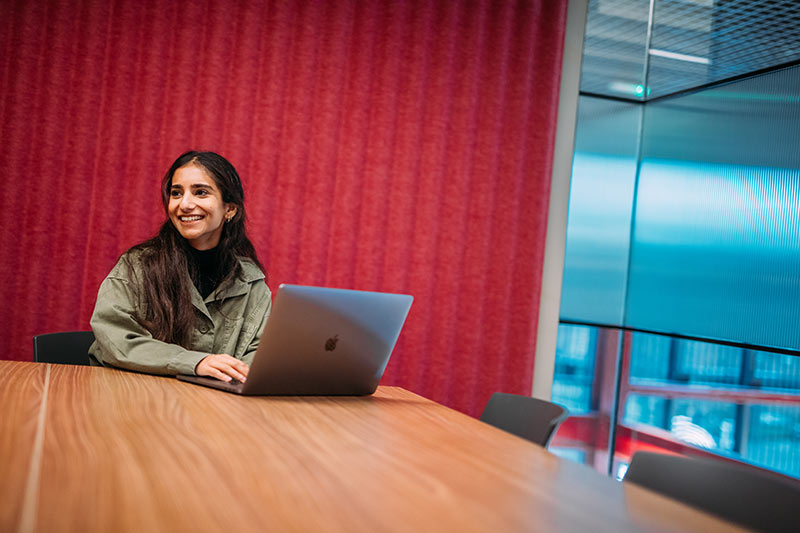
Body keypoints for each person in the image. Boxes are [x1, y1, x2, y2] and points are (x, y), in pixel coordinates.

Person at [89, 151, 270, 383]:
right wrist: (195, 362)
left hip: (211, 402)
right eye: (176, 193)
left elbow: (259, 354)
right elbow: (115, 339)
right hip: (129, 395)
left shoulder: (251, 282)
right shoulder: (136, 266)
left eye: (200, 192)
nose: (184, 204)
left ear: (230, 209)